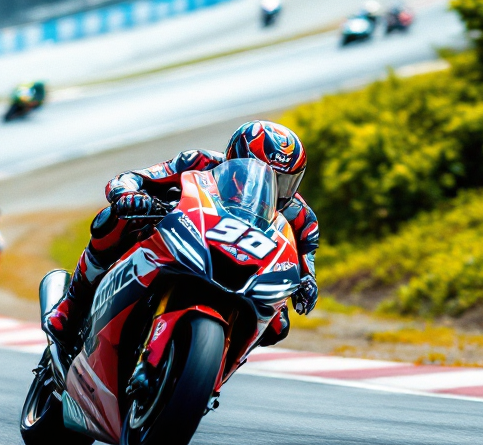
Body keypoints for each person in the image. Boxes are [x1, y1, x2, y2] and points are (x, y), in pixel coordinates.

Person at [42, 120, 320, 376]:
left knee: (278, 325)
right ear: (236, 157)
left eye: (285, 182)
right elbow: (133, 178)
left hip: (248, 267)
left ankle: (212, 371)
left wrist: (307, 284)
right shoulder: (199, 161)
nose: (276, 189)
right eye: (266, 177)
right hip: (181, 235)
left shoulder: (300, 216)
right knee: (113, 220)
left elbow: (307, 263)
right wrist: (127, 195)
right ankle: (71, 306)